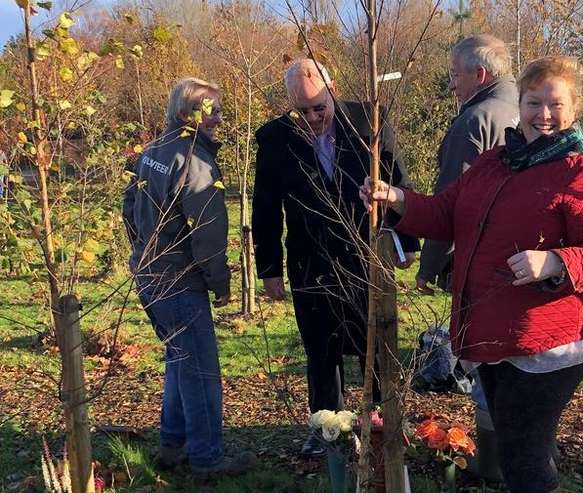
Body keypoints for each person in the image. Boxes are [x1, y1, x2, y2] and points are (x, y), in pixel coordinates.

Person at [362, 56, 583, 493]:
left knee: (521, 455)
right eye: (533, 102)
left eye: (555, 104)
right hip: (493, 330)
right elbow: (447, 214)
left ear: (574, 109)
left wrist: (557, 262)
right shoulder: (496, 162)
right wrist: (395, 197)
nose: (543, 114)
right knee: (521, 445)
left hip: (552, 338)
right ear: (519, 104)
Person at [252, 59, 419, 457]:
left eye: (318, 107)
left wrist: (408, 241)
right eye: (302, 110)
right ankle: (326, 425)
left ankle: (379, 421)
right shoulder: (275, 138)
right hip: (310, 259)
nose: (311, 117)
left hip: (366, 255)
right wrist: (269, 268)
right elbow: (265, 207)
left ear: (332, 88)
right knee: (320, 347)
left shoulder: (369, 122)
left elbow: (398, 180)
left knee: (373, 340)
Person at [123, 77, 252, 479]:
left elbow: (129, 206)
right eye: (209, 110)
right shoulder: (195, 161)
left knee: (179, 359)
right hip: (179, 278)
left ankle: (172, 443)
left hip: (149, 273)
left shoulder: (153, 151)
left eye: (217, 109)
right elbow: (208, 233)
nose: (218, 117)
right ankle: (207, 458)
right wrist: (221, 282)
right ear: (185, 115)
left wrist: (142, 248)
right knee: (200, 369)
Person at [416, 34, 518, 294]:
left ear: (480, 74)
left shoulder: (475, 120)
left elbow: (452, 196)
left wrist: (430, 265)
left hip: (476, 259)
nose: (451, 85)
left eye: (456, 75)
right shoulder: (529, 107)